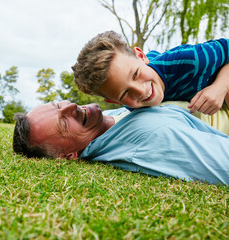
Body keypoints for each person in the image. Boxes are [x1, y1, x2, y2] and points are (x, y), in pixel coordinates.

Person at [13, 100, 229, 185]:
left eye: (57, 104)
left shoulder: (110, 115)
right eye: (64, 122)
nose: (70, 107)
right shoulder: (151, 138)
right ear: (70, 155)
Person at [72, 31, 229, 115]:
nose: (140, 91)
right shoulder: (132, 107)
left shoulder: (192, 60)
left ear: (141, 56)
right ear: (116, 102)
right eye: (124, 93)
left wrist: (219, 87)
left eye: (135, 74)